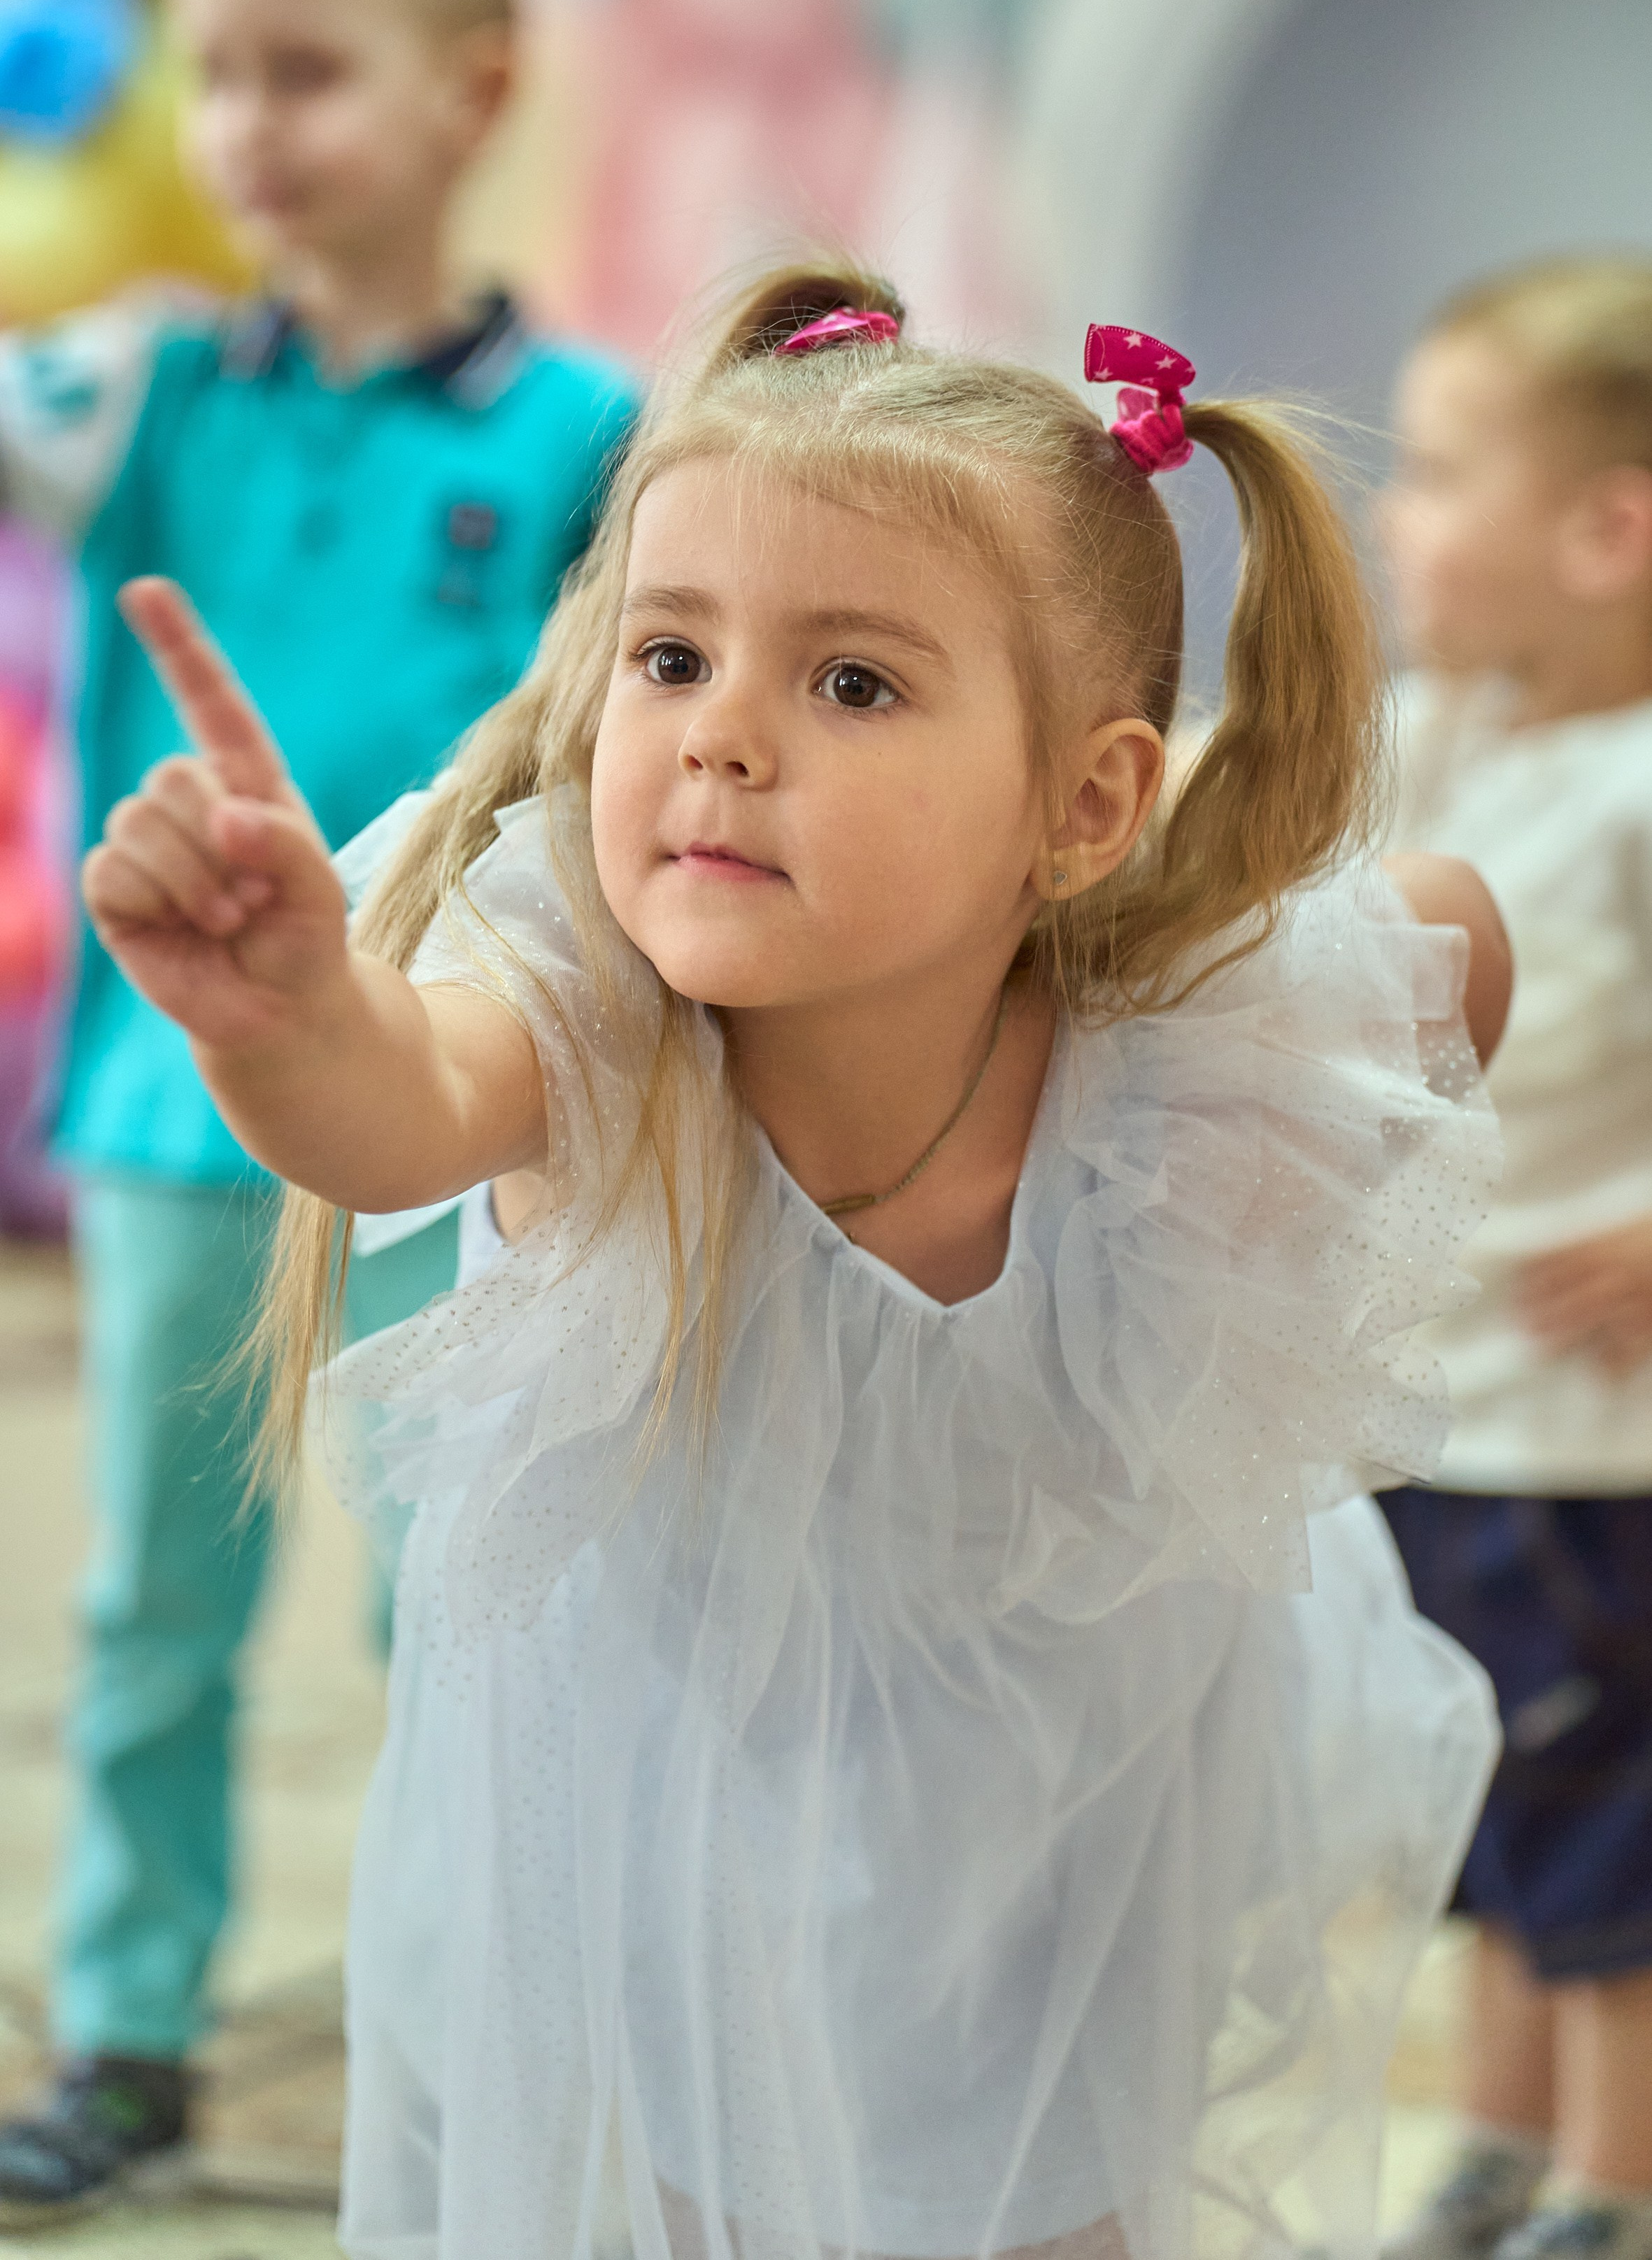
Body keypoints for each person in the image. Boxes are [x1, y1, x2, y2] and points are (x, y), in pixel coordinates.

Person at [80, 266, 1509, 2260]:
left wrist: (1146, 838)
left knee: (1051, 2207)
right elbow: (397, 1102)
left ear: (1084, 796)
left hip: (1060, 1820)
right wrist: (282, 1019)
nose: (722, 742)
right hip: (682, 1820)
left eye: (851, 684)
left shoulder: (1169, 1071)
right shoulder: (587, 1010)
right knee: (701, 2197)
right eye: (670, 658)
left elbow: (1447, 933)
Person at [0, 0, 634, 2225]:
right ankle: (130, 2028)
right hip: (173, 1119)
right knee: (147, 1609)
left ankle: (479, 2018)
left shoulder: (586, 438)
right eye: (212, 73)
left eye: (306, 69)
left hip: (454, 1118)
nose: (246, 123)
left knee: (446, 1605)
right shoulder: (135, 389)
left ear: (474, 91)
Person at [1379, 257, 1652, 2260]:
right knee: (1484, 1808)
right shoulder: (1436, 736)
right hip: (1444, 1406)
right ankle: (1489, 2138)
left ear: (1607, 527)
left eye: (1441, 470)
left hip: (1592, 1443)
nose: (1399, 515)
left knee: (1608, 1830)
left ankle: (1611, 2176)